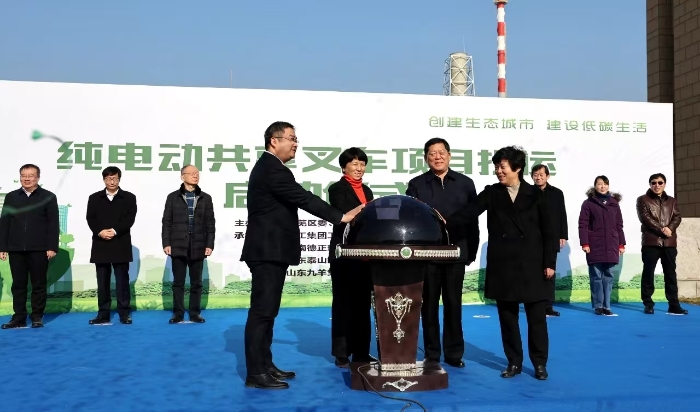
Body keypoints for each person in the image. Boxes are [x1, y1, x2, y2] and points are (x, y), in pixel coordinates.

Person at [241, 121, 364, 390]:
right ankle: (255, 372)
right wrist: (341, 216)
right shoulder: (271, 168)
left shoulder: (272, 167)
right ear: (274, 141)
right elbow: (303, 198)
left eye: (296, 139)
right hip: (267, 250)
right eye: (291, 138)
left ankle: (265, 365)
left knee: (268, 311)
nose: (296, 144)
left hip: (272, 250)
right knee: (262, 312)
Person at [451, 146, 557, 380]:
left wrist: (550, 262)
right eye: (496, 167)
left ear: (517, 168)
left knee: (536, 319)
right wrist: (441, 222)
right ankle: (514, 362)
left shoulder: (537, 194)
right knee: (507, 318)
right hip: (503, 264)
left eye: (503, 167)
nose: (498, 171)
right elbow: (468, 213)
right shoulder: (492, 193)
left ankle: (540, 363)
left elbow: (550, 231)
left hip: (532, 264)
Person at [405, 137, 479, 368]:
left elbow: (473, 221)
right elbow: (410, 220)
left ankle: (454, 353)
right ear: (426, 158)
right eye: (432, 153)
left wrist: (471, 250)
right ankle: (432, 353)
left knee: (453, 305)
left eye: (441, 152)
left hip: (456, 253)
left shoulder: (465, 183)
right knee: (428, 307)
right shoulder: (416, 184)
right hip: (427, 255)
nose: (437, 157)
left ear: (449, 155)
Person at [327, 147, 376, 368]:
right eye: (354, 163)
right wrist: (365, 209)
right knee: (343, 302)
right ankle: (341, 352)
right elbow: (344, 213)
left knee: (363, 304)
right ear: (344, 167)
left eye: (362, 164)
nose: (359, 168)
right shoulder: (337, 189)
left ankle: (361, 352)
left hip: (365, 255)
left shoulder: (367, 190)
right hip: (344, 254)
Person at [0, 164, 59, 329]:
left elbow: (53, 224)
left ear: (38, 177)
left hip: (39, 249)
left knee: (38, 285)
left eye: (31, 175)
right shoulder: (12, 197)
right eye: (23, 175)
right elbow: (5, 223)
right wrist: (2, 247)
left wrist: (52, 246)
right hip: (16, 248)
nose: (27, 179)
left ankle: (37, 316)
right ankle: (19, 317)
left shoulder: (48, 197)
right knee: (18, 285)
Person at [162, 164, 216, 324]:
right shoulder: (173, 197)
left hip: (198, 245)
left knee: (196, 282)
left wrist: (209, 244)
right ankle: (178, 313)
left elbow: (210, 224)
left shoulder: (206, 198)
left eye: (197, 173)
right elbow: (167, 222)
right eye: (191, 173)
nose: (195, 175)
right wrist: (166, 242)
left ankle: (194, 313)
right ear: (182, 176)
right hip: (178, 244)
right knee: (178, 282)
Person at [85, 166, 138, 325]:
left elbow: (129, 219)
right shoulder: (94, 198)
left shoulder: (129, 197)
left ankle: (124, 313)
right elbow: (90, 218)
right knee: (102, 282)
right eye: (108, 178)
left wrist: (114, 231)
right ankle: (103, 314)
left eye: (115, 178)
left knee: (122, 281)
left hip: (120, 243)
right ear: (104, 180)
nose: (112, 181)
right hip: (101, 244)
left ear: (119, 179)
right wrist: (100, 231)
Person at [636, 173, 688, 315]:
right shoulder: (642, 200)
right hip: (651, 242)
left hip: (669, 243)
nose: (657, 185)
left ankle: (674, 305)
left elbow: (677, 217)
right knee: (648, 273)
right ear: (650, 184)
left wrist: (670, 228)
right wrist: (661, 229)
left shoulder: (672, 201)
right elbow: (644, 218)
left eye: (660, 182)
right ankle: (648, 303)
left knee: (670, 274)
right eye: (654, 183)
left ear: (664, 184)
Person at [578, 175, 625, 317]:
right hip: (594, 245)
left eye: (605, 184)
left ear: (608, 186)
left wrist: (621, 243)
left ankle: (607, 306)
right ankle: (598, 305)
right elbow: (583, 225)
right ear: (595, 186)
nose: (602, 186)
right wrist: (585, 243)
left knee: (609, 276)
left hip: (611, 244)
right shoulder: (588, 203)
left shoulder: (614, 203)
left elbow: (619, 225)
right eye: (599, 184)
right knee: (596, 276)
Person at [531, 164, 568, 317]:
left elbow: (562, 215)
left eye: (541, 175)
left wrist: (563, 235)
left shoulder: (557, 193)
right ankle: (535, 305)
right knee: (534, 272)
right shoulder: (528, 192)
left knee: (550, 272)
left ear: (547, 176)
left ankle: (548, 306)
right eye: (535, 175)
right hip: (532, 239)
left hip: (551, 238)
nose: (538, 177)